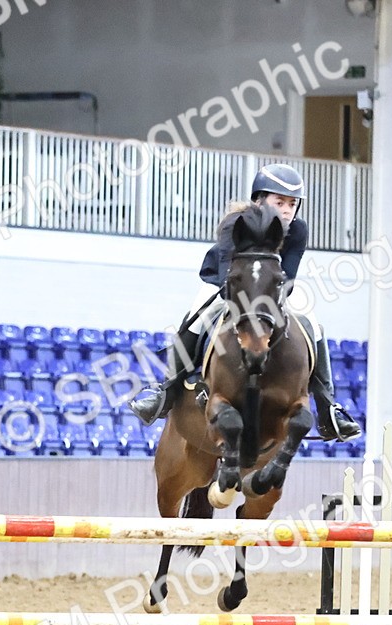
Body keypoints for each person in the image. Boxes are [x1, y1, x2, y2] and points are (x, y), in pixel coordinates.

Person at [128, 164, 360, 441]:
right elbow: (227, 271)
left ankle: (328, 408)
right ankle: (164, 392)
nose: (287, 210)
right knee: (197, 316)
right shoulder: (237, 223)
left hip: (272, 289)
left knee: (312, 323)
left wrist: (267, 302)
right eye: (280, 202)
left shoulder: (297, 230)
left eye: (292, 204)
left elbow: (288, 276)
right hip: (227, 284)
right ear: (259, 200)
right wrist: (248, 303)